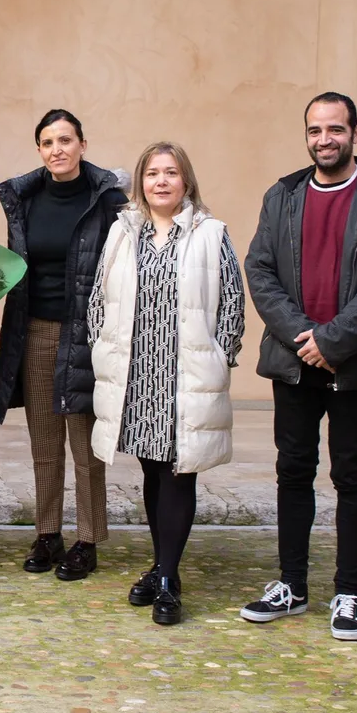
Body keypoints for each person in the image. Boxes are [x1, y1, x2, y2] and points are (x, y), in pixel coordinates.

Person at [240, 92, 357, 641]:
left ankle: (349, 593)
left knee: (351, 475)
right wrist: (300, 336)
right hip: (294, 362)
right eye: (315, 130)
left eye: (335, 129)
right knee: (293, 471)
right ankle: (290, 584)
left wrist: (332, 341)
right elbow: (260, 268)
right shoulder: (283, 194)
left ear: (355, 133)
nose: (324, 139)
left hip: (354, 363)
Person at [88, 141, 246, 626]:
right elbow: (98, 297)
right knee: (153, 473)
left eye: (171, 173)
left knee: (180, 473)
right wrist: (102, 347)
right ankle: (161, 568)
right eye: (153, 173)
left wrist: (221, 357)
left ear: (186, 181)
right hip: (137, 376)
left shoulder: (210, 234)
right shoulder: (122, 234)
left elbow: (233, 306)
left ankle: (169, 580)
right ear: (141, 182)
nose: (161, 181)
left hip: (185, 377)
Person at [0, 109, 126, 581]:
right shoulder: (22, 199)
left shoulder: (107, 200)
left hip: (87, 334)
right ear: (40, 150)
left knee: (86, 447)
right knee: (44, 443)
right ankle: (48, 533)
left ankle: (88, 540)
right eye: (47, 142)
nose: (57, 150)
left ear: (82, 145)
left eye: (65, 140)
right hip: (36, 330)